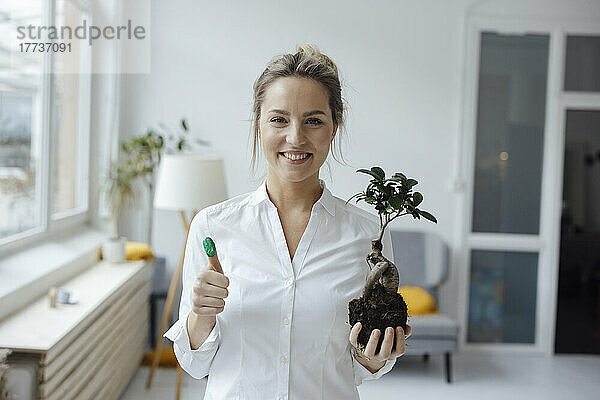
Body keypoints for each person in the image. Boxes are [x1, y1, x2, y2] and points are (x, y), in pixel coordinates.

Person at [164, 43, 411, 400]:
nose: (295, 137)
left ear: (334, 128)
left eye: (313, 120)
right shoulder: (212, 228)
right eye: (279, 119)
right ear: (259, 126)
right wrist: (200, 316)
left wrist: (372, 355)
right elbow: (195, 364)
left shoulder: (368, 234)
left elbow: (361, 368)